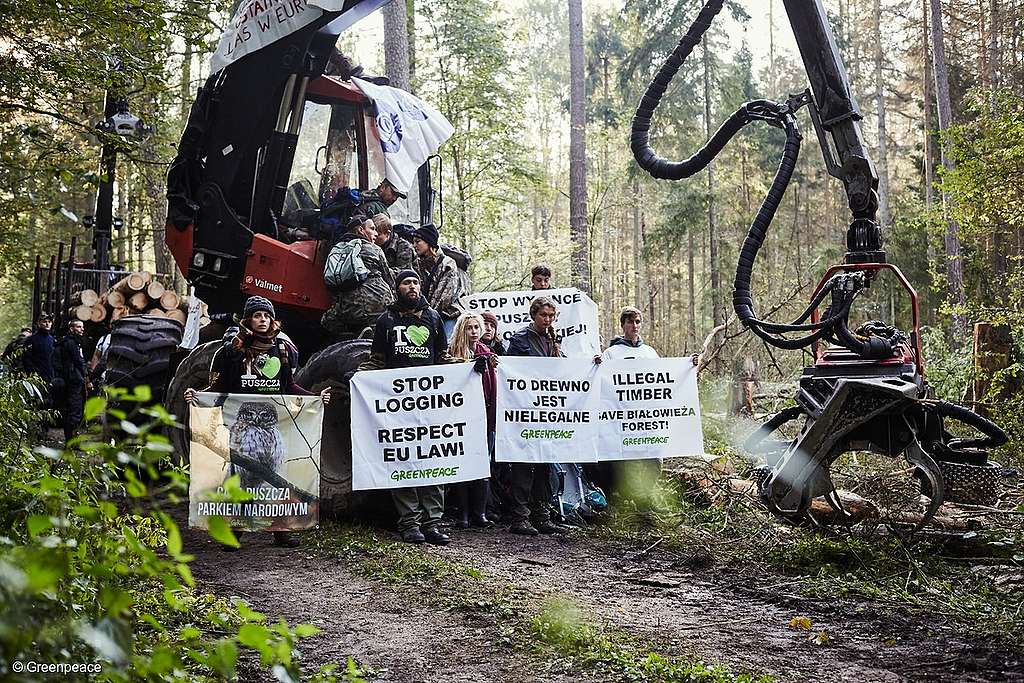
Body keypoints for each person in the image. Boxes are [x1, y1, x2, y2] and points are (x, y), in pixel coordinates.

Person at [185, 296, 331, 549]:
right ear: (247, 320)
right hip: (239, 426)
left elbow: (289, 387)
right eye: (257, 315)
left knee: (276, 481)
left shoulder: (282, 350)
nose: (262, 320)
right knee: (239, 481)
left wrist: (315, 398)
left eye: (266, 316)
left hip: (275, 426)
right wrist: (198, 396)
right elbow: (220, 387)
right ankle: (236, 531)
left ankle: (281, 530)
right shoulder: (230, 352)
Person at [359, 270, 457, 545]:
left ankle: (433, 523)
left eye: (415, 282)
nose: (412, 287)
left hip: (430, 404)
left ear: (420, 286)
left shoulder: (434, 318)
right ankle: (409, 523)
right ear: (398, 288)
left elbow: (442, 358)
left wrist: (468, 370)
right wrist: (358, 377)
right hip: (398, 405)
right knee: (404, 460)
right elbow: (377, 360)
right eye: (406, 283)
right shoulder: (386, 320)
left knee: (433, 460)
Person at [505, 297, 602, 536]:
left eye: (551, 316)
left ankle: (542, 515)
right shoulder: (519, 340)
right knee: (523, 465)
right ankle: (520, 517)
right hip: (525, 412)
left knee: (544, 466)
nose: (547, 320)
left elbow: (563, 372)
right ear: (533, 315)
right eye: (543, 315)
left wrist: (591, 364)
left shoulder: (554, 340)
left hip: (547, 414)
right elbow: (511, 372)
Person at [600, 307, 662, 511]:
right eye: (630, 322)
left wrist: (690, 365)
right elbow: (603, 383)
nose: (634, 326)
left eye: (637, 322)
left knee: (653, 459)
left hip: (647, 417)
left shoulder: (650, 352)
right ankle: (636, 502)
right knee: (629, 461)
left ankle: (648, 495)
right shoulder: (611, 353)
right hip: (623, 417)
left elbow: (662, 380)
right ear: (622, 325)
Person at [447, 312, 497, 529]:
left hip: (484, 416)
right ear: (462, 330)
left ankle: (480, 513)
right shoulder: (450, 354)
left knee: (483, 463)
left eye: (477, 327)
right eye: (470, 328)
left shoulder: (487, 353)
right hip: (460, 418)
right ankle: (463, 514)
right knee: (463, 464)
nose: (475, 332)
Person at [321, 215, 396, 340]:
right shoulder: (374, 249)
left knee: (326, 321)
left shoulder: (336, 250)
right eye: (372, 229)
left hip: (347, 308)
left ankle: (351, 335)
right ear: (361, 230)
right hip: (377, 305)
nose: (376, 233)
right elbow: (389, 279)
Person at [411, 224, 464, 338]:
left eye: (418, 241)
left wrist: (425, 315)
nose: (414, 245)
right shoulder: (416, 265)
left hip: (447, 315)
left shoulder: (448, 264)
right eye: (413, 242)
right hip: (422, 316)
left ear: (429, 242)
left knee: (446, 343)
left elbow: (444, 297)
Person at [52, 319, 88, 442]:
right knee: (74, 412)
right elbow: (78, 362)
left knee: (71, 411)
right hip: (73, 382)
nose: (82, 329)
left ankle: (71, 440)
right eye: (79, 327)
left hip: (69, 380)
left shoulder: (66, 342)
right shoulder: (71, 343)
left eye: (82, 327)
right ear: (71, 329)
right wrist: (86, 377)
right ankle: (71, 442)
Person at [372, 213, 416, 277]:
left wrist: (380, 272)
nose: (374, 236)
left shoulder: (404, 247)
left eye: (378, 234)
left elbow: (403, 272)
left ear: (387, 233)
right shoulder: (374, 245)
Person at [23, 314, 55, 382]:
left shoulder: (52, 339)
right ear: (39, 323)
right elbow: (26, 358)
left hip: (50, 374)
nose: (47, 324)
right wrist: (33, 373)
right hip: (36, 376)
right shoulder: (31, 340)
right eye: (44, 321)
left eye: (49, 322)